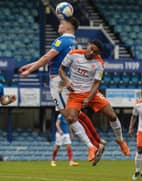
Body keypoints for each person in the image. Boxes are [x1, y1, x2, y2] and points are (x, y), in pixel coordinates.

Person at [19, 17, 105, 164]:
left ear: (68, 26)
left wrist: (30, 71)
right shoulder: (73, 42)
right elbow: (52, 58)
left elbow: (47, 57)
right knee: (74, 114)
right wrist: (31, 65)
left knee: (69, 116)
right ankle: (96, 142)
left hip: (58, 81)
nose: (59, 25)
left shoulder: (61, 40)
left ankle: (92, 146)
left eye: (61, 23)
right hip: (66, 80)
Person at [59, 40, 131, 158]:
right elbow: (61, 69)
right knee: (71, 118)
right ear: (87, 46)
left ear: (98, 54)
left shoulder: (99, 63)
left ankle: (120, 140)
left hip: (91, 93)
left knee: (112, 115)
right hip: (75, 93)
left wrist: (89, 97)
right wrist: (66, 81)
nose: (91, 52)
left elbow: (97, 83)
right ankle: (90, 147)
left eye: (95, 52)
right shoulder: (73, 54)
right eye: (91, 48)